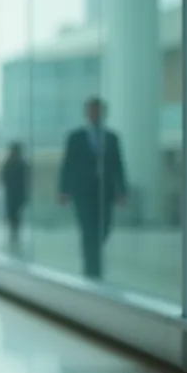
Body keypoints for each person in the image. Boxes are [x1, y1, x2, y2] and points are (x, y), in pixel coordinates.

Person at [59, 97, 127, 279]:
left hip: (105, 192)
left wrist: (122, 191)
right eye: (91, 111)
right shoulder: (75, 137)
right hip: (82, 192)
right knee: (88, 229)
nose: (95, 114)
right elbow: (67, 164)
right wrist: (63, 190)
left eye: (98, 110)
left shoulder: (112, 138)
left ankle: (93, 260)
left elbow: (118, 165)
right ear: (86, 114)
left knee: (104, 229)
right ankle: (92, 269)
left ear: (104, 113)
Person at [0, 142, 30, 249]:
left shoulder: (15, 163)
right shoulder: (17, 163)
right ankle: (14, 235)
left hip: (15, 193)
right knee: (14, 215)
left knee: (14, 215)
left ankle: (14, 235)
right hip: (14, 193)